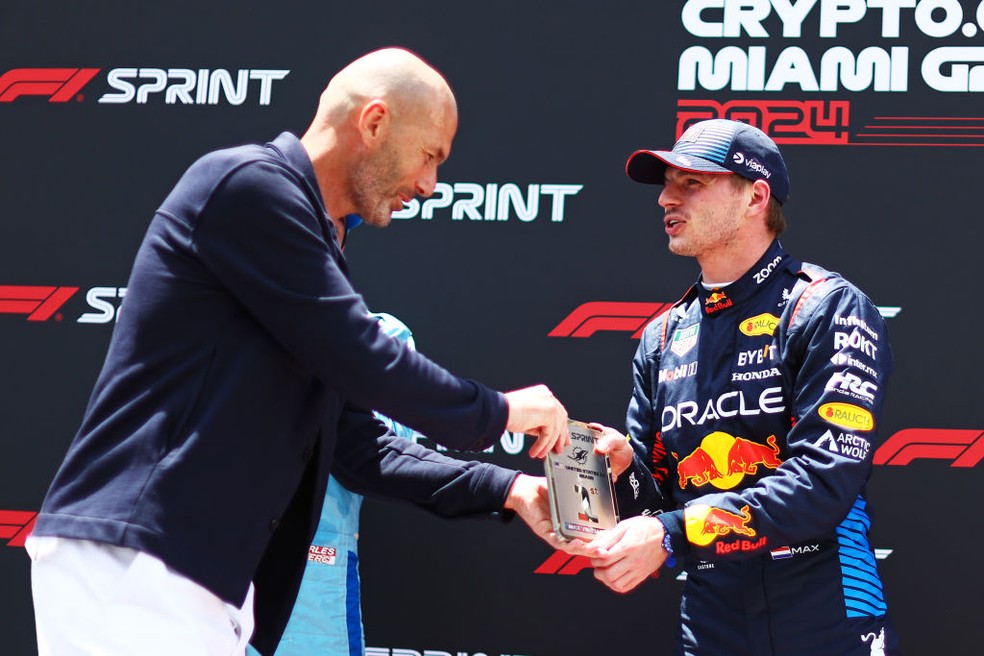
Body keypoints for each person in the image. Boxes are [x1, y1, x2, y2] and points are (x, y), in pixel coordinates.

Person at [26, 47, 567, 656]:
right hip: (136, 559)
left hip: (192, 575)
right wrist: (499, 413)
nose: (429, 184)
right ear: (374, 122)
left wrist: (509, 489)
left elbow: (361, 446)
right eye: (430, 156)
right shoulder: (248, 186)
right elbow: (368, 360)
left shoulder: (310, 239)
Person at [573, 118, 901, 655]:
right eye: (666, 183)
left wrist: (673, 533)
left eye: (691, 182)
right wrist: (623, 469)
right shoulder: (662, 336)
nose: (665, 199)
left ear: (755, 197)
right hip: (713, 624)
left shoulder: (824, 308)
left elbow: (822, 485)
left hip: (828, 616)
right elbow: (655, 506)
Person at [258, 312, 552, 656]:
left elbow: (367, 450)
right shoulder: (208, 306)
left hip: (304, 596)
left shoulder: (374, 335)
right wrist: (500, 415)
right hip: (196, 575)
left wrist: (509, 485)